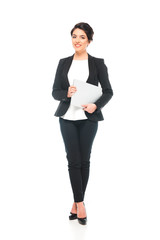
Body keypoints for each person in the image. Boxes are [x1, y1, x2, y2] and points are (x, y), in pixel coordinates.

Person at [52, 22, 113, 225]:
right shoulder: (63, 63)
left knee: (84, 160)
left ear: (89, 40)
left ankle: (76, 203)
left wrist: (96, 106)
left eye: (82, 37)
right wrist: (65, 93)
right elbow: (55, 92)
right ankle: (81, 203)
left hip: (88, 119)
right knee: (73, 161)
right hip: (67, 117)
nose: (77, 40)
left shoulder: (97, 63)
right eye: (74, 36)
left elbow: (108, 91)